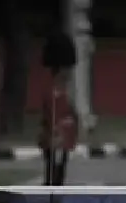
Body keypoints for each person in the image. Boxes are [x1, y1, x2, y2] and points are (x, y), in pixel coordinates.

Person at [39, 33, 82, 186]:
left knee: (59, 171)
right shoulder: (53, 92)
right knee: (53, 174)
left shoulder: (63, 91)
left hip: (62, 136)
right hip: (55, 136)